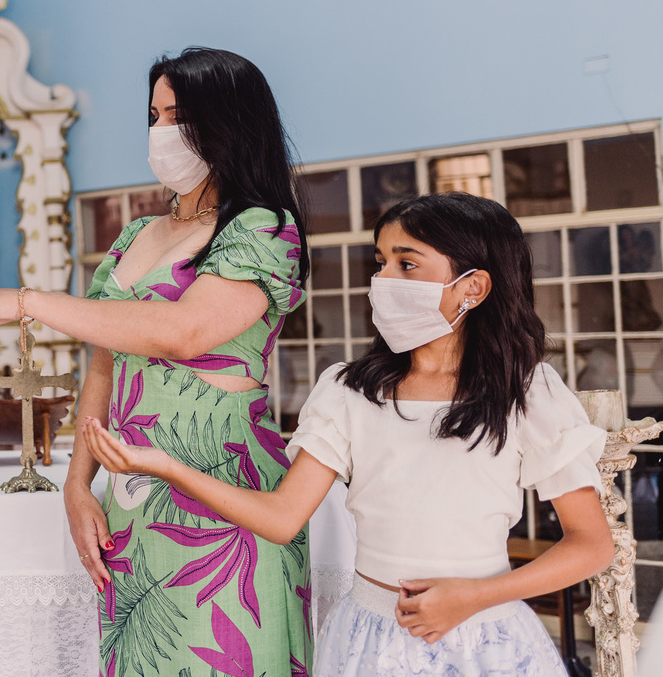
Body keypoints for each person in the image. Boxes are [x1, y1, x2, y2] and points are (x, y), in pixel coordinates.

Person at [82, 191, 616, 676]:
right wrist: (165, 465)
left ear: (472, 286)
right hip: (369, 642)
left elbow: (590, 545)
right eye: (381, 262)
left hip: (483, 638)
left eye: (407, 263)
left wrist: (477, 596)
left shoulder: (528, 392)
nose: (384, 280)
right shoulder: (348, 390)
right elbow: (279, 517)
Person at [0, 47, 314, 676]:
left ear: (231, 122)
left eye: (179, 116)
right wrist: (78, 482)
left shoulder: (261, 227)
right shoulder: (135, 235)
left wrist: (27, 301)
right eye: (155, 115)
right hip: (133, 492)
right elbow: (106, 364)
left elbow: (181, 331)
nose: (162, 133)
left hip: (222, 488)